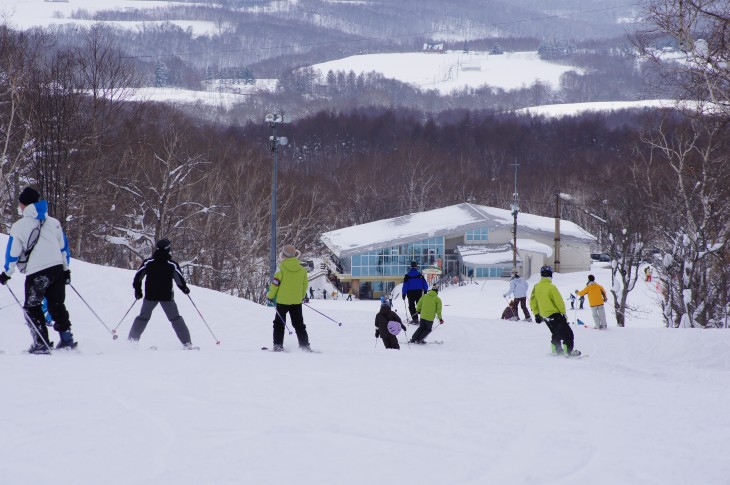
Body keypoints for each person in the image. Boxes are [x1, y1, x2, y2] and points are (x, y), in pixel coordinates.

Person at [0, 187, 76, 353]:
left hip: (37, 272)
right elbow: (63, 249)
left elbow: (12, 253)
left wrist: (7, 273)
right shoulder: (54, 223)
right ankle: (67, 339)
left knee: (32, 307)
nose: (19, 207)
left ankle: (41, 343)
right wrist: (66, 269)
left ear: (24, 204)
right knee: (57, 305)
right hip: (57, 269)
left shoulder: (19, 226)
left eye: (20, 204)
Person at [128, 239, 195, 348]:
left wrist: (138, 291)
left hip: (150, 296)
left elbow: (138, 277)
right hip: (166, 297)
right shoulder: (171, 264)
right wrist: (184, 289)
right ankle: (187, 343)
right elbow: (179, 280)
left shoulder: (148, 262)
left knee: (143, 317)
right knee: (175, 319)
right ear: (168, 249)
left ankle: (131, 341)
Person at [266, 244, 312, 352]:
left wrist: (270, 296)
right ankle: (305, 346)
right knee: (299, 324)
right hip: (296, 302)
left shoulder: (281, 268)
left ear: (284, 256)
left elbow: (275, 284)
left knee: (279, 324)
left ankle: (278, 345)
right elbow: (305, 284)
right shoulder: (302, 269)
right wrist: (300, 297)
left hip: (282, 301)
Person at [530, 265, 581, 357]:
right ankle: (567, 351)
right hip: (555, 315)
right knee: (568, 334)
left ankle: (556, 350)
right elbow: (559, 301)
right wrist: (563, 313)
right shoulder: (551, 287)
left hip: (545, 316)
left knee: (556, 333)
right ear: (550, 275)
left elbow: (533, 301)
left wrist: (536, 314)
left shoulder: (536, 287)